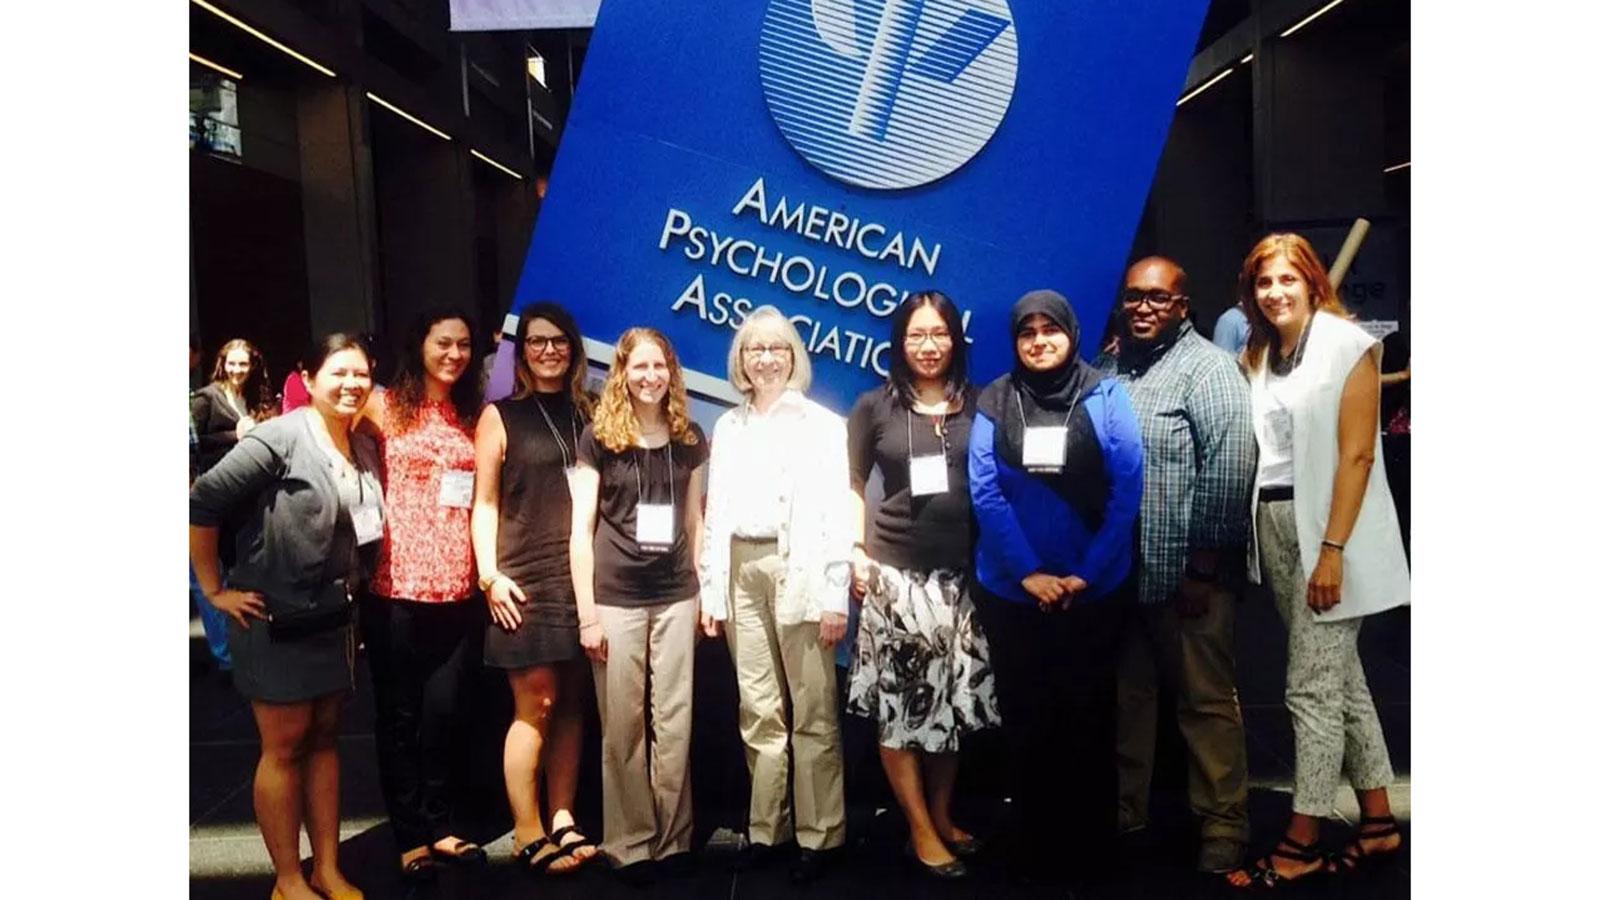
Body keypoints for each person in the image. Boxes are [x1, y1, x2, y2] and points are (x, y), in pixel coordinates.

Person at [1224, 234, 1409, 890]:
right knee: (1341, 681)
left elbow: (1359, 456)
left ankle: (1303, 838)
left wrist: (1331, 552)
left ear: (1312, 282)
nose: (1275, 292)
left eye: (1286, 280)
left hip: (1330, 530)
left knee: (1309, 688)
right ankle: (1380, 824)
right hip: (1273, 521)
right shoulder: (1263, 353)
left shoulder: (1346, 345)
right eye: (1263, 282)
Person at [189, 333, 382, 900]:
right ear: (310, 376)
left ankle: (326, 868)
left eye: (361, 375)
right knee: (284, 746)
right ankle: (288, 879)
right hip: (272, 619)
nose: (351, 385)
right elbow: (202, 501)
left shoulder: (361, 440)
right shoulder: (278, 437)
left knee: (324, 739)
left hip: (332, 618)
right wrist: (213, 589)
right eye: (339, 374)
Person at [968, 289, 1144, 886]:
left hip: (1092, 594)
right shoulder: (996, 399)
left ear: (1071, 333)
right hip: (1015, 596)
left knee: (1090, 721)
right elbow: (985, 493)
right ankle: (1034, 852)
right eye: (1027, 332)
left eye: (1050, 330)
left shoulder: (1106, 394)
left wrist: (1084, 574)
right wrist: (1030, 574)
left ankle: (1091, 852)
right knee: (1029, 723)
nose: (1039, 340)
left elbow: (1128, 488)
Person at [1100, 258, 1257, 874]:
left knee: (1206, 704)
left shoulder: (1210, 370)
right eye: (1134, 297)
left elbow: (1229, 464)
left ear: (1184, 306)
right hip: (1123, 578)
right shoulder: (1115, 367)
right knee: (1128, 701)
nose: (1143, 307)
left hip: (1188, 580)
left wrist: (1205, 565)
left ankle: (1225, 823)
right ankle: (1125, 810)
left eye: (1158, 299)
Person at [842, 292, 1000, 880]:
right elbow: (853, 486)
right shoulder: (873, 407)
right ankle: (919, 828)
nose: (928, 346)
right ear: (899, 342)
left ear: (955, 339)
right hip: (897, 579)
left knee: (951, 706)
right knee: (903, 710)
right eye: (916, 335)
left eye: (938, 334)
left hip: (961, 581)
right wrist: (856, 552)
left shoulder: (981, 404)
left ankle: (941, 815)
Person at [698, 306, 853, 885]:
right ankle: (769, 829)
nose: (765, 358)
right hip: (742, 568)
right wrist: (713, 590)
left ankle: (823, 834)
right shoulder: (729, 427)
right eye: (754, 349)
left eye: (777, 348)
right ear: (740, 360)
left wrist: (836, 595)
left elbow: (838, 515)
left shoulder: (822, 424)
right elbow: (716, 516)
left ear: (794, 358)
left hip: (803, 571)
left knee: (812, 711)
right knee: (758, 709)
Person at [569, 327, 709, 885]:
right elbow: (581, 531)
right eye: (639, 366)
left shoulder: (690, 436)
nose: (650, 376)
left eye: (660, 367)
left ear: (671, 374)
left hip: (677, 595)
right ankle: (629, 841)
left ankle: (673, 839)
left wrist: (701, 591)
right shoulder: (597, 438)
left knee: (674, 722)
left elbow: (696, 520)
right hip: (616, 597)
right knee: (621, 726)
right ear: (622, 372)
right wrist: (587, 615)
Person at [355, 308, 488, 883]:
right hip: (394, 587)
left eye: (463, 345)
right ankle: (410, 836)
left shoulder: (470, 414)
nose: (454, 354)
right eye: (444, 343)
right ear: (421, 344)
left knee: (446, 714)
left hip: (458, 587)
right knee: (399, 716)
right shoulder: (381, 405)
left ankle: (440, 823)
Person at [471, 303, 600, 876]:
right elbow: (485, 504)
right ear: (521, 352)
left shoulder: (591, 413)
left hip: (581, 575)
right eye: (537, 342)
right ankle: (527, 829)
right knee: (536, 702)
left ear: (573, 349)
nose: (549, 350)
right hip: (523, 575)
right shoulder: (500, 416)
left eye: (559, 342)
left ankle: (564, 815)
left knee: (572, 701)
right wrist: (489, 575)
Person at [192, 338, 277, 476]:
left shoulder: (255, 398)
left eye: (243, 364)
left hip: (251, 475)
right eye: (231, 364)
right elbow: (193, 443)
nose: (237, 370)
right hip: (217, 479)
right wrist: (235, 436)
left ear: (252, 366)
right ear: (223, 365)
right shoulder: (207, 398)